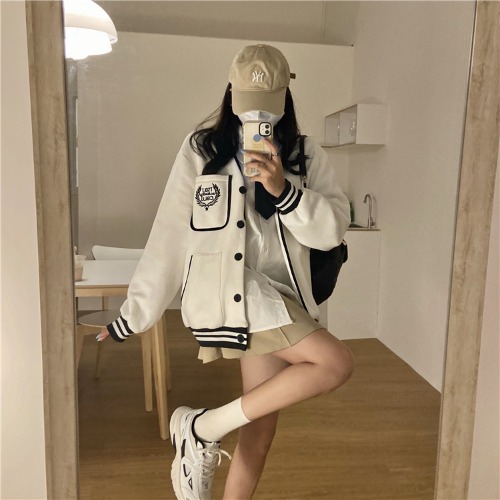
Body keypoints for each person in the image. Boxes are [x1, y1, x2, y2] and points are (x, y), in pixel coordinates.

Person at [96, 44, 354, 500]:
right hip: (234, 295)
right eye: (248, 102)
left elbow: (332, 230)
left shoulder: (305, 154)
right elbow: (170, 233)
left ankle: (201, 431)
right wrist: (133, 315)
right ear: (231, 92)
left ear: (285, 96)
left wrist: (283, 189)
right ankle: (202, 427)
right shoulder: (202, 150)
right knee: (336, 363)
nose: (257, 115)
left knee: (260, 429)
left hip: (284, 299)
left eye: (267, 105)